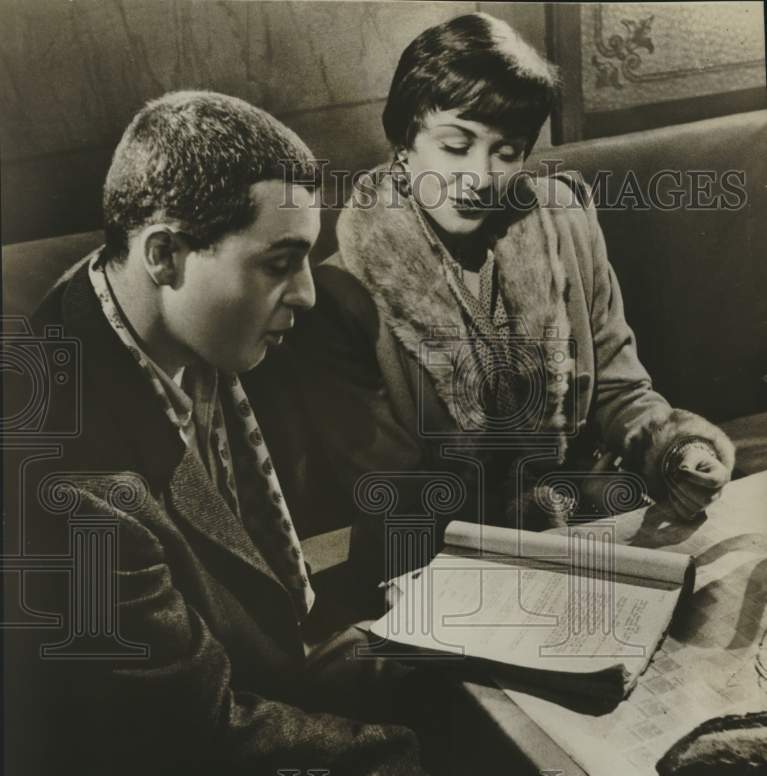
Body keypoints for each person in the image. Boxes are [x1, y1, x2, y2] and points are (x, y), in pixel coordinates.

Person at [7, 90, 448, 776]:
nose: (308, 292)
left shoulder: (156, 318)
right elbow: (192, 738)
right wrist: (397, 752)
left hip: (214, 697)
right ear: (165, 253)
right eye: (280, 262)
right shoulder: (70, 484)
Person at [288, 12, 735, 589]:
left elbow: (620, 390)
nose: (480, 176)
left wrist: (678, 452)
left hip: (581, 542)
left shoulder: (565, 225)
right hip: (432, 574)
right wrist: (551, 525)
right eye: (456, 145)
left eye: (506, 151)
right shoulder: (337, 297)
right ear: (403, 142)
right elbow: (399, 497)